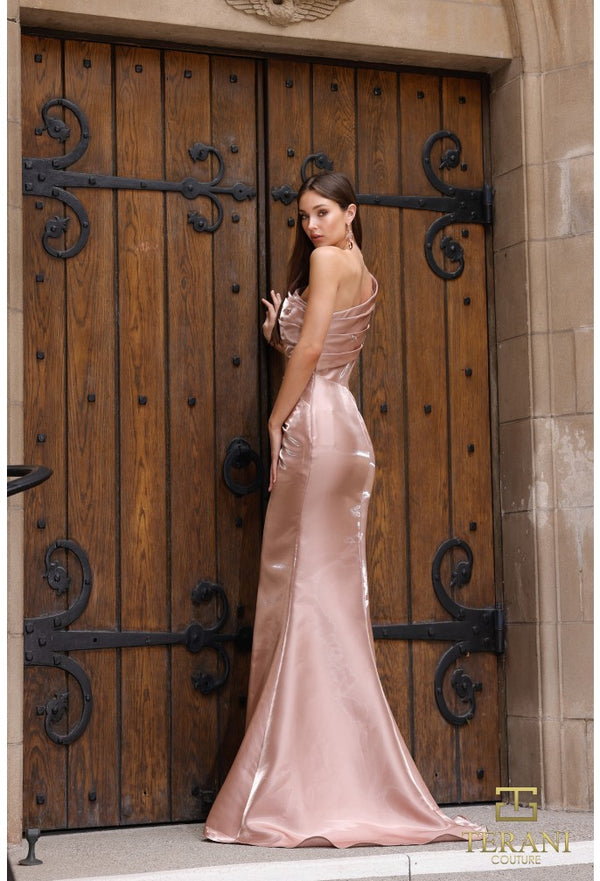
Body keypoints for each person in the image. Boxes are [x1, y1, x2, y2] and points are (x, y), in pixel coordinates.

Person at [204, 171, 485, 848]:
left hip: (315, 429)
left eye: (323, 212)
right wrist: (282, 332)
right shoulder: (362, 268)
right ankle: (336, 774)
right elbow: (321, 349)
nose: (311, 226)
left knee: (298, 593)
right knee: (325, 600)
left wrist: (275, 418)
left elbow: (309, 353)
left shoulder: (330, 260)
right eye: (303, 216)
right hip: (346, 430)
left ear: (351, 211)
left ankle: (293, 784)